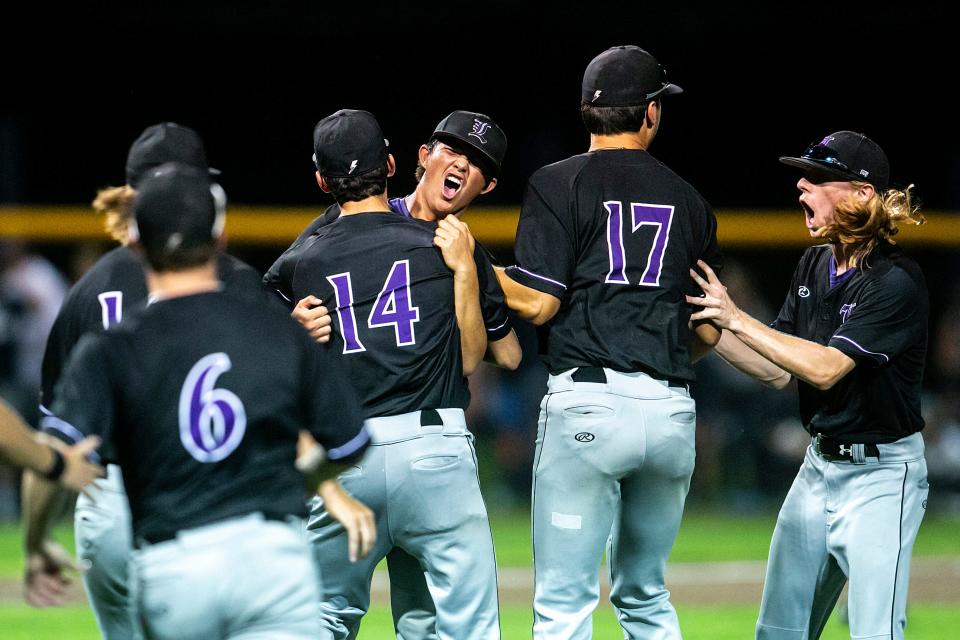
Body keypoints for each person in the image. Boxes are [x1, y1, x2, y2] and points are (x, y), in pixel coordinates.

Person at [38, 163, 374, 639]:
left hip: (176, 565)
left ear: (134, 244)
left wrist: (36, 541)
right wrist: (301, 483)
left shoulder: (114, 346)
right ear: (220, 239)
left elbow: (55, 456)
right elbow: (348, 442)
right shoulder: (273, 326)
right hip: (272, 556)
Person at [495, 45, 722, 638]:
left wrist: (471, 264)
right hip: (672, 411)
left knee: (564, 607)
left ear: (586, 113)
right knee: (646, 598)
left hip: (590, 408)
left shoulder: (557, 182)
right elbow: (707, 327)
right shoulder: (691, 201)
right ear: (649, 114)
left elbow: (539, 302)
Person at [21, 122, 266, 636]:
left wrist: (36, 537)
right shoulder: (234, 281)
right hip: (213, 502)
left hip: (110, 506)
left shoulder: (88, 291)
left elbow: (55, 441)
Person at [267, 109, 500, 639]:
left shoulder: (306, 258)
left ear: (322, 182)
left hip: (346, 452)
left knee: (321, 618)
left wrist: (289, 328)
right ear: (394, 164)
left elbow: (253, 337)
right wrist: (465, 271)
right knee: (465, 625)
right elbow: (475, 360)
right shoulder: (439, 244)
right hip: (433, 449)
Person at [687, 131, 928, 640]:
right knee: (779, 631)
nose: (801, 185)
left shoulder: (895, 281)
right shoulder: (814, 263)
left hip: (881, 479)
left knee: (874, 631)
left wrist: (737, 318)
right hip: (818, 468)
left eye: (819, 178)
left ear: (862, 195)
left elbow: (824, 368)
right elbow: (778, 370)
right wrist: (707, 324)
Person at [266, 110, 521, 371]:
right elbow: (266, 301)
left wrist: (468, 278)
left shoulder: (465, 251)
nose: (461, 165)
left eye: (477, 161)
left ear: (487, 186)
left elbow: (508, 355)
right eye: (452, 150)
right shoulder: (344, 220)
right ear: (424, 156)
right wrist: (292, 326)